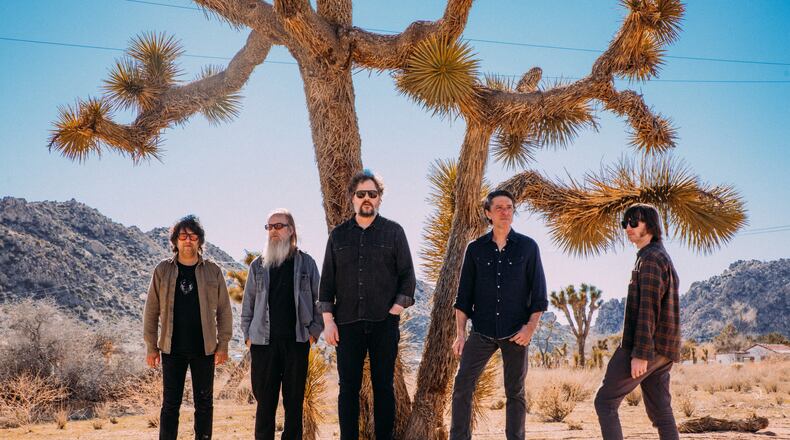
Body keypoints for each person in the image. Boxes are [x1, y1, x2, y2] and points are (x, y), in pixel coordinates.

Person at [319, 170, 416, 440]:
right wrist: (328, 321)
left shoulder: (394, 232)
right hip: (347, 324)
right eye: (361, 194)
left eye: (372, 194)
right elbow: (326, 283)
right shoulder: (338, 236)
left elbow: (408, 276)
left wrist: (395, 310)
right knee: (347, 388)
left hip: (384, 324)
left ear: (379, 199)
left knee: (383, 386)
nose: (366, 199)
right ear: (352, 198)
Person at [450, 189, 548, 440]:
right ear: (488, 214)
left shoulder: (528, 247)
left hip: (516, 332)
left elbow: (539, 295)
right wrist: (461, 334)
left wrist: (529, 329)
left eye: (509, 207)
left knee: (515, 392)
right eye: (499, 208)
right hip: (481, 331)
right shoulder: (475, 249)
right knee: (462, 386)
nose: (505, 212)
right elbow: (463, 297)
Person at [594, 203, 681, 440]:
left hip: (647, 347)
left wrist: (640, 353)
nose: (628, 228)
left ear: (650, 225)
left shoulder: (651, 258)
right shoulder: (656, 255)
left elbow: (648, 309)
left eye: (635, 222)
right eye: (625, 223)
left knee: (605, 401)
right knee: (661, 411)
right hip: (664, 349)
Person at [143, 215, 233, 440]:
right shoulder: (162, 270)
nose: (188, 241)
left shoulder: (212, 271)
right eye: (182, 236)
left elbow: (224, 310)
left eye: (193, 236)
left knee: (204, 404)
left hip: (205, 348)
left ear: (199, 241)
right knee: (170, 404)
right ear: (175, 241)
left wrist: (223, 345)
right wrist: (151, 347)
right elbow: (151, 311)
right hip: (171, 348)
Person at [241, 209, 323, 440]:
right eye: (269, 227)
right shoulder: (257, 265)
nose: (273, 232)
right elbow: (248, 303)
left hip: (296, 342)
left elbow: (320, 300)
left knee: (294, 403)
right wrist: (248, 336)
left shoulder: (306, 263)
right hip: (263, 344)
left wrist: (314, 333)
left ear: (291, 230)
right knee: (264, 404)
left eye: (278, 226)